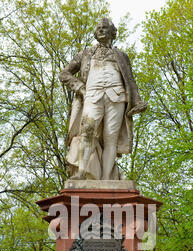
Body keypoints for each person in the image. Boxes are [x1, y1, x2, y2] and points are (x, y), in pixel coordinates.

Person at [59, 17, 147, 180]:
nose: (101, 30)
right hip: (92, 94)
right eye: (98, 27)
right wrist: (80, 88)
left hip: (117, 97)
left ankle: (107, 178)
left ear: (113, 33)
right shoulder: (85, 54)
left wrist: (138, 100)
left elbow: (130, 79)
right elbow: (64, 74)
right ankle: (82, 173)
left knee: (110, 138)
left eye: (105, 27)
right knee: (87, 132)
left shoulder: (121, 55)